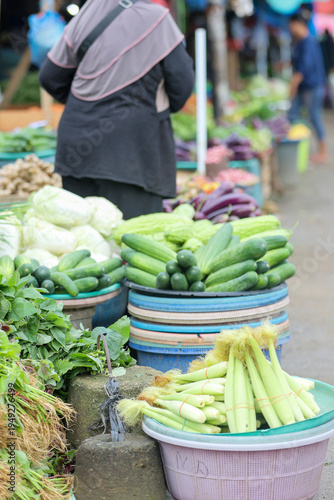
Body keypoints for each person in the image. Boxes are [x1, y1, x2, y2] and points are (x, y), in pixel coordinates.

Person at [39, 0, 194, 219]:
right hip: (133, 152)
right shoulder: (157, 19)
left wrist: (84, 103)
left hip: (77, 147)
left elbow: (49, 77)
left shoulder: (86, 13)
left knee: (85, 242)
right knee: (130, 243)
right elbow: (182, 83)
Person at [288, 13, 327, 164]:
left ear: (298, 24)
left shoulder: (308, 42)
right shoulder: (301, 42)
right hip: (306, 87)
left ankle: (323, 152)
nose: (290, 28)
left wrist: (293, 84)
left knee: (314, 117)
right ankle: (296, 149)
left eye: (291, 25)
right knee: (293, 116)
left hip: (312, 87)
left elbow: (303, 68)